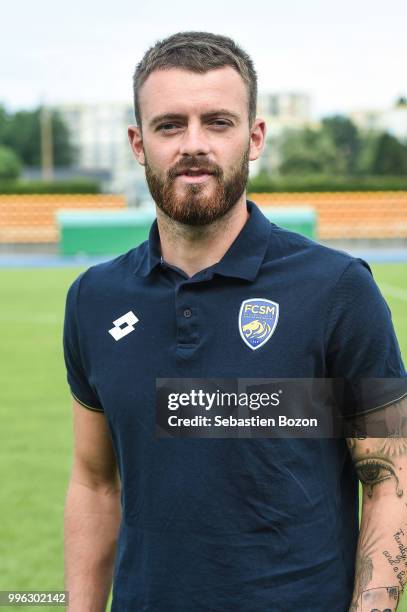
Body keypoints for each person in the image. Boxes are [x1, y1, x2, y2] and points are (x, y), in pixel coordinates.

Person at [63, 31, 407, 612]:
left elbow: (390, 480)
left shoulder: (339, 289)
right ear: (137, 144)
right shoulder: (93, 298)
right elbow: (95, 483)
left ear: (254, 138)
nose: (193, 144)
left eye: (217, 122)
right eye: (170, 125)